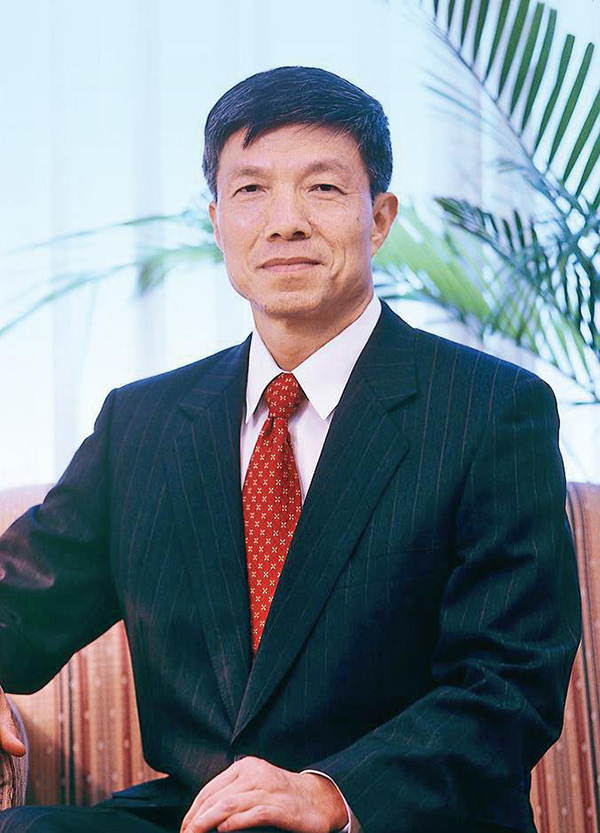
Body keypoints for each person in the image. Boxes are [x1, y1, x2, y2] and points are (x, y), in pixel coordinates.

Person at [0, 65, 581, 833]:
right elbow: (20, 608)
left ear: (379, 218)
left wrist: (331, 792)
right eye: (251, 190)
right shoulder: (142, 424)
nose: (285, 222)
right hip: (199, 816)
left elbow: (511, 680)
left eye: (323, 188)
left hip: (393, 816)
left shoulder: (490, 410)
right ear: (217, 222)